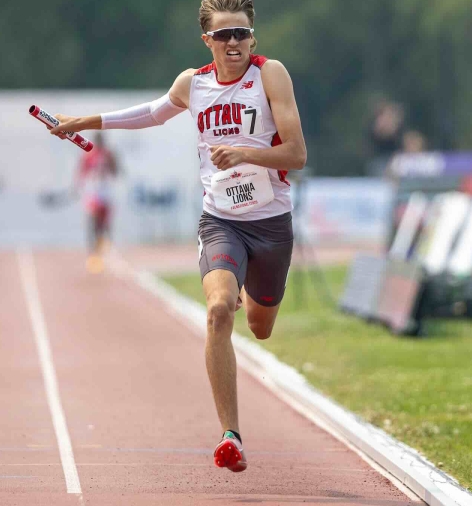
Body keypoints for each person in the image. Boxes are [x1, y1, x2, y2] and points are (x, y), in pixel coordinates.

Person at [46, 0, 306, 473]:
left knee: (261, 327)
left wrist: (246, 153)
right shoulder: (194, 83)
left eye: (242, 35)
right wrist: (84, 122)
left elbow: (296, 154)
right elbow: (149, 113)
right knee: (217, 310)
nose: (234, 44)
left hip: (270, 224)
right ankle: (231, 436)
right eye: (224, 36)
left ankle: (250, 288)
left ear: (254, 38)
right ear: (207, 40)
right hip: (220, 219)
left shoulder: (271, 76)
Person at [76, 131, 119, 273]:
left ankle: (105, 246)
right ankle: (93, 253)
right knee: (93, 221)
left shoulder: (108, 154)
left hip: (106, 191)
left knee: (105, 224)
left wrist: (111, 161)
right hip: (94, 191)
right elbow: (82, 171)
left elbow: (116, 170)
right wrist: (80, 186)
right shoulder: (88, 155)